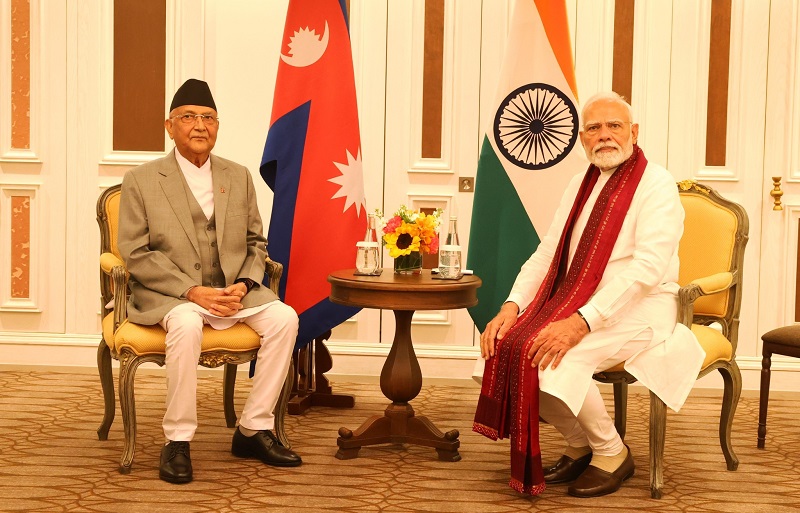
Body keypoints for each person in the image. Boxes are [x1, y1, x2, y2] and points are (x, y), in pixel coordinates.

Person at [473, 92, 705, 498]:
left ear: (633, 132)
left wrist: (583, 321)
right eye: (594, 128)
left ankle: (613, 453)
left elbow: (647, 270)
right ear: (582, 139)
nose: (604, 135)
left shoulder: (656, 185)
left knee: (553, 359)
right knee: (502, 349)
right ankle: (581, 444)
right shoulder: (579, 183)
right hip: (577, 302)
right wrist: (513, 304)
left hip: (644, 306)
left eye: (614, 126)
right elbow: (548, 252)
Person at [118, 79, 302, 484]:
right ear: (169, 126)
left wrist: (245, 284)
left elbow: (256, 242)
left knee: (285, 319)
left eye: (209, 118)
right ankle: (178, 440)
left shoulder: (238, 176)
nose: (200, 125)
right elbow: (134, 251)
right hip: (171, 294)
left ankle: (253, 428)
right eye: (188, 117)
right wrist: (192, 291)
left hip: (232, 290)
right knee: (186, 325)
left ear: (217, 126)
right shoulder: (141, 179)